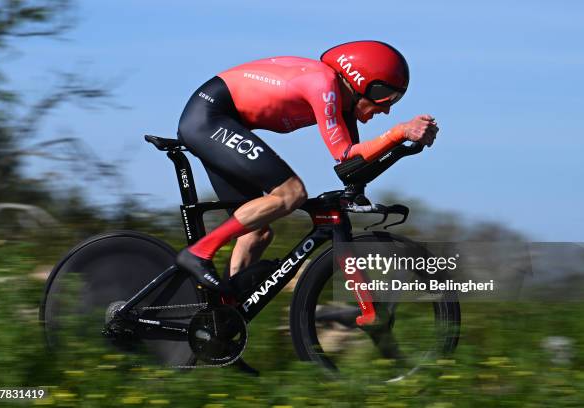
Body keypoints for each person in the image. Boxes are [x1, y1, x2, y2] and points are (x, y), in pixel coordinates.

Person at [175, 40, 439, 293]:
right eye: (385, 96)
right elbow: (345, 154)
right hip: (209, 118)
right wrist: (399, 133)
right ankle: (199, 252)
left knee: (256, 233)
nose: (386, 110)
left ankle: (224, 314)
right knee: (291, 193)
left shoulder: (344, 104)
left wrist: (403, 149)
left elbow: (352, 170)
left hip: (222, 122)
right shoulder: (324, 85)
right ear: (361, 81)